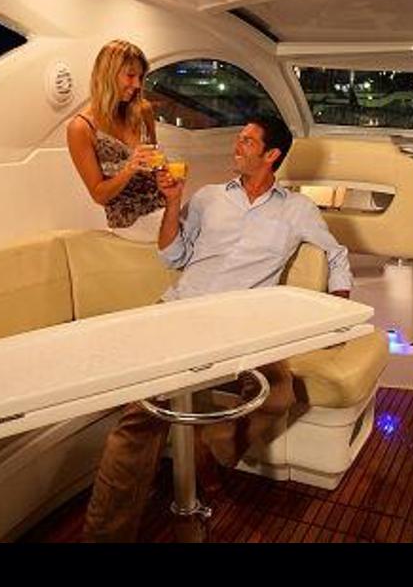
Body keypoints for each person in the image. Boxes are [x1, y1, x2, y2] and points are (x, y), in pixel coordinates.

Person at [82, 114, 352, 543]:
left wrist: (338, 313)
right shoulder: (207, 197)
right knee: (139, 418)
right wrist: (173, 202)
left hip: (243, 324)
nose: (236, 146)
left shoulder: (297, 210)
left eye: (247, 141)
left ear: (271, 155)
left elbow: (336, 255)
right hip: (182, 310)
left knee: (277, 393)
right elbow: (172, 256)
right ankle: (103, 537)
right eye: (238, 139)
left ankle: (206, 448)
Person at [66, 39, 164, 231]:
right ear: (107, 74)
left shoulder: (143, 110)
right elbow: (99, 195)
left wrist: (165, 173)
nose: (137, 84)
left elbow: (155, 164)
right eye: (130, 75)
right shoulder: (81, 128)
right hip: (130, 226)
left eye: (140, 77)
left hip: (162, 211)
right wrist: (129, 168)